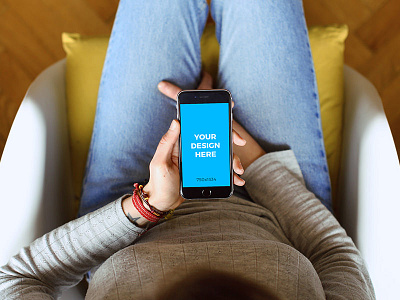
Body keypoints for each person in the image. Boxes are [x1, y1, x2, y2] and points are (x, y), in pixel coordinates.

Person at [0, 0, 375, 299]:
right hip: (275, 201)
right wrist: (256, 160)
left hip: (130, 205)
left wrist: (147, 205)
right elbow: (337, 258)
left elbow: (18, 278)